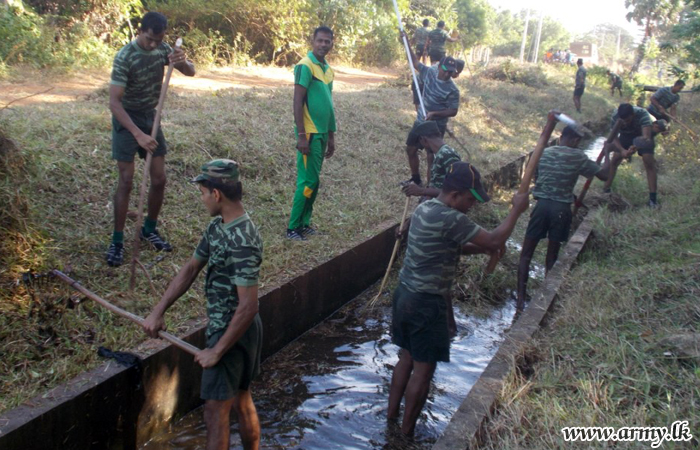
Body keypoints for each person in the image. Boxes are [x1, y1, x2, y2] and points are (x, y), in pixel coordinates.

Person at [387, 162, 529, 436]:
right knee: (424, 371)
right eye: (470, 199)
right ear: (455, 194)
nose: (472, 205)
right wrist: (516, 210)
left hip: (405, 296)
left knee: (406, 358)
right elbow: (494, 239)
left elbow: (449, 246)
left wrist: (483, 251)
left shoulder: (425, 209)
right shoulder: (453, 218)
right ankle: (405, 437)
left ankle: (391, 420)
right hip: (428, 303)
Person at [143, 159, 263, 450]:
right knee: (241, 399)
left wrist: (216, 351)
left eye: (202, 192)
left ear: (216, 194)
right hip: (234, 330)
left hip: (232, 332)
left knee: (215, 412)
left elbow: (248, 306)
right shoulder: (217, 227)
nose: (202, 198)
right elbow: (190, 269)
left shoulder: (243, 239)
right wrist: (158, 311)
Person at [106, 11, 196, 267]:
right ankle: (117, 240)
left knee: (159, 178)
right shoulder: (125, 57)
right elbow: (114, 102)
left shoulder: (162, 49)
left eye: (158, 39)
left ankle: (149, 229)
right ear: (140, 31)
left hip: (150, 118)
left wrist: (183, 60)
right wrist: (138, 134)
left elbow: (190, 72)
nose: (154, 44)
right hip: (127, 120)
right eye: (149, 39)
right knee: (126, 180)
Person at [516, 126, 612, 310]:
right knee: (552, 256)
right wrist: (607, 153)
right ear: (575, 141)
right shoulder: (579, 157)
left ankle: (520, 299)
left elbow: (539, 179)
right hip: (561, 210)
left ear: (561, 137)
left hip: (541, 206)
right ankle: (545, 300)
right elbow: (605, 175)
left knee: (526, 254)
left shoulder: (543, 153)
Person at [286, 26, 337, 241]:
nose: (323, 45)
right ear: (312, 41)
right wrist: (301, 135)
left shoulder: (327, 70)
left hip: (323, 133)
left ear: (332, 43)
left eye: (327, 41)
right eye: (320, 41)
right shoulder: (304, 66)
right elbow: (298, 102)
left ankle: (305, 223)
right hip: (310, 135)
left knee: (314, 182)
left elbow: (329, 104)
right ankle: (292, 227)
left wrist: (332, 135)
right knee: (307, 182)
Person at [401, 30, 460, 187]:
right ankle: (415, 178)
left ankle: (429, 188)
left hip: (436, 126)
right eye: (445, 70)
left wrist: (435, 114)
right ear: (439, 66)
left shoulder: (453, 90)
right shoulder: (429, 72)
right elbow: (415, 63)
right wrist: (406, 41)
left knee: (431, 157)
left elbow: (453, 111)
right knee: (411, 149)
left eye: (450, 72)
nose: (447, 74)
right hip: (421, 121)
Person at [602, 103, 656, 206]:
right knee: (615, 159)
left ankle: (653, 199)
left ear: (632, 115)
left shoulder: (643, 114)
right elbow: (614, 136)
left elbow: (646, 137)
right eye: (623, 121)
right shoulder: (615, 116)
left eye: (627, 120)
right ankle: (606, 190)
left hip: (642, 136)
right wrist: (622, 150)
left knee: (648, 161)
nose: (625, 123)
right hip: (626, 135)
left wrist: (635, 147)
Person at [401, 121, 461, 200]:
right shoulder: (438, 154)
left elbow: (456, 192)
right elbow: (435, 184)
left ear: (423, 140)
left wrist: (422, 191)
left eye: (421, 145)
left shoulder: (448, 155)